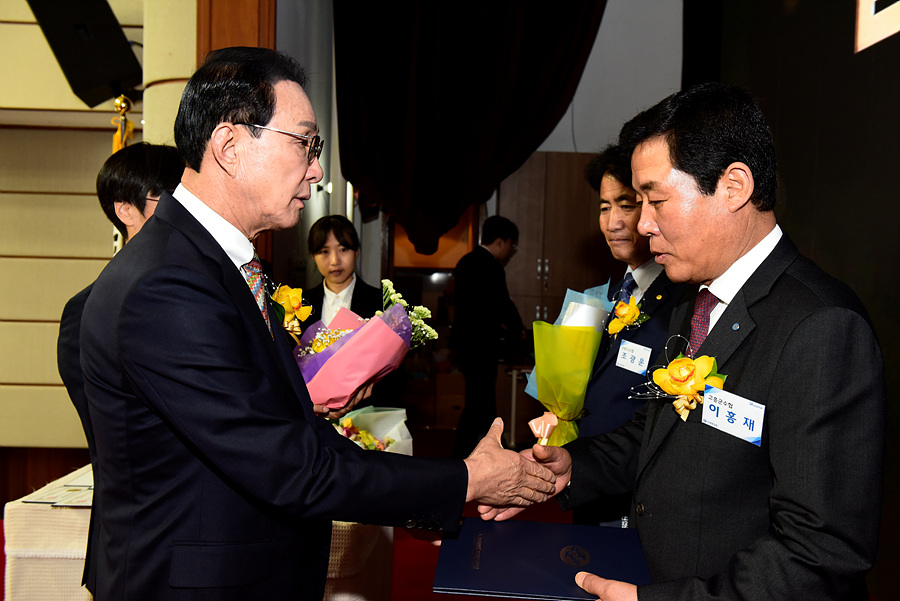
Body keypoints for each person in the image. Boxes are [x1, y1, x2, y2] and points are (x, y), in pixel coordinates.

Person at [77, 47, 555, 601]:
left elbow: (298, 442)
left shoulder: (216, 266)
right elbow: (291, 468)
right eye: (305, 143)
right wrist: (468, 479)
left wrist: (447, 487)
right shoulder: (166, 285)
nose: (317, 168)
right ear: (230, 145)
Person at [481, 83, 885, 601]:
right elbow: (656, 434)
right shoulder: (690, 302)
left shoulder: (822, 327)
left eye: (656, 199)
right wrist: (572, 467)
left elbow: (821, 555)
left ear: (734, 185)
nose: (642, 223)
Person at [56, 142, 184, 592]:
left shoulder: (196, 292)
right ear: (125, 209)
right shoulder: (89, 310)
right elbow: (111, 436)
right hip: (141, 543)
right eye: (167, 199)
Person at [573, 144, 688, 526]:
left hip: (637, 494)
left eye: (626, 204)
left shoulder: (681, 300)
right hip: (589, 476)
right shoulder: (608, 293)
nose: (612, 222)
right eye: (605, 207)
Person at [303, 214, 405, 406]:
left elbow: (396, 373)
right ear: (312, 255)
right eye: (324, 251)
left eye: (343, 249)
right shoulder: (299, 305)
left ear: (357, 252)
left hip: (367, 416)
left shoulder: (382, 305)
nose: (334, 261)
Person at [451, 215, 525, 457]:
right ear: (502, 242)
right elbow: (503, 305)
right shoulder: (492, 266)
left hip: (463, 344)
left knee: (478, 400)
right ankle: (470, 452)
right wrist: (520, 330)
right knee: (480, 402)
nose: (511, 252)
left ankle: (482, 450)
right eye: (512, 246)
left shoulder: (464, 262)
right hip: (482, 346)